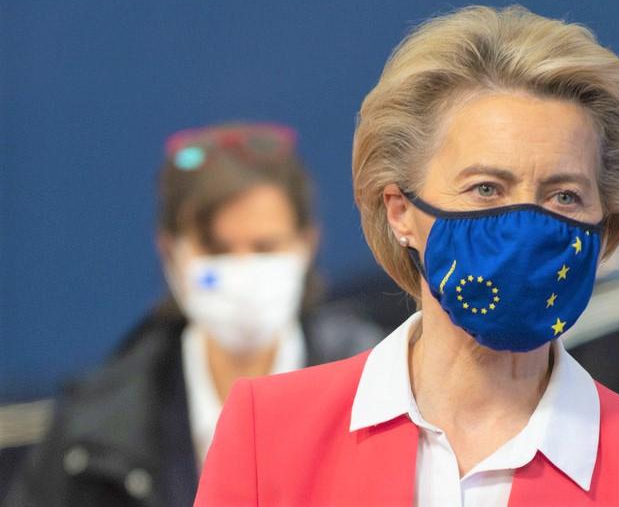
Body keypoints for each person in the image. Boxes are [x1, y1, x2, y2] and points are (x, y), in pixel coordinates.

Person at [195, 6, 619, 505]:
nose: (524, 227)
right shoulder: (269, 432)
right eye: (486, 189)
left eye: (564, 196)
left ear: (605, 224)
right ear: (401, 211)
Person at [4, 123, 383, 507]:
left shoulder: (381, 389)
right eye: (217, 250)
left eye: (265, 247)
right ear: (171, 253)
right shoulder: (93, 432)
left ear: (307, 243)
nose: (242, 272)